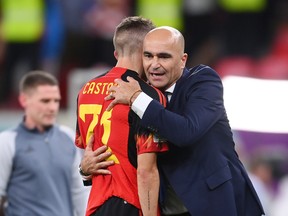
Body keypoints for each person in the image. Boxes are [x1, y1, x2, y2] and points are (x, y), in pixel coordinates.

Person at [103, 26, 265, 215]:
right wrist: (85, 168)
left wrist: (137, 98)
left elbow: (187, 132)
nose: (154, 64)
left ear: (183, 60)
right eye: (148, 56)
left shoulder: (203, 81)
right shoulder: (143, 95)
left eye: (164, 57)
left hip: (217, 204)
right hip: (168, 209)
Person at [75, 16, 168, 216]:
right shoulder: (144, 95)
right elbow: (146, 171)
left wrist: (84, 170)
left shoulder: (85, 90)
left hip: (95, 206)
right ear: (145, 51)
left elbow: (87, 154)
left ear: (116, 52)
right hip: (132, 203)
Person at [0, 71, 89, 216]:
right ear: (24, 100)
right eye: (45, 101)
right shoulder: (7, 142)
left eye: (56, 101)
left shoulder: (69, 137)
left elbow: (80, 192)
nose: (52, 108)